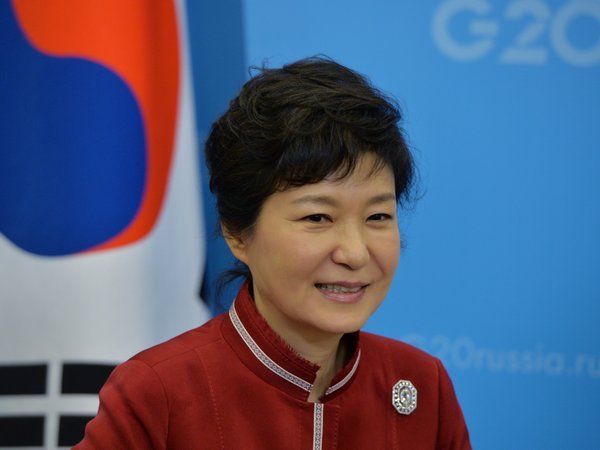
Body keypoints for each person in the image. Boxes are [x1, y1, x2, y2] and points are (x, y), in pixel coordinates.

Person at [75, 57, 471, 449]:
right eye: (318, 217)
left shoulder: (423, 385)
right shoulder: (156, 392)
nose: (355, 253)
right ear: (237, 234)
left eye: (377, 216)